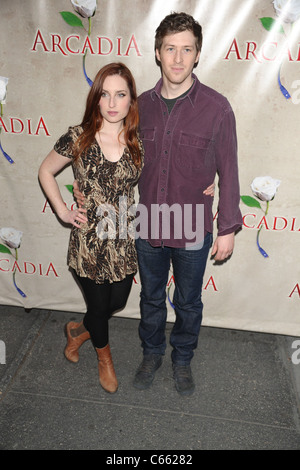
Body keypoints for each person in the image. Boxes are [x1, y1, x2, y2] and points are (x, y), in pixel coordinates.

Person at [74, 11, 242, 397]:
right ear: (157, 52)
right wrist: (82, 189)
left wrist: (228, 227)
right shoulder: (138, 107)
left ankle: (182, 358)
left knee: (188, 301)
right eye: (170, 49)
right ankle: (151, 354)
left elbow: (229, 171)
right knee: (150, 297)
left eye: (187, 50)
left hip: (192, 225)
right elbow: (103, 147)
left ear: (198, 55)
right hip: (146, 223)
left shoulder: (218, 109)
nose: (178, 59)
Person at [38, 62, 144, 394]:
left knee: (117, 301)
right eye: (105, 94)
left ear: (130, 100)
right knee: (99, 308)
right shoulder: (79, 137)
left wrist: (203, 186)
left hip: (124, 238)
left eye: (121, 95)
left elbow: (171, 171)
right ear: (96, 99)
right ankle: (104, 360)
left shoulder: (138, 139)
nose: (113, 103)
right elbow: (45, 171)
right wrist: (63, 211)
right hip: (89, 240)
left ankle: (78, 330)